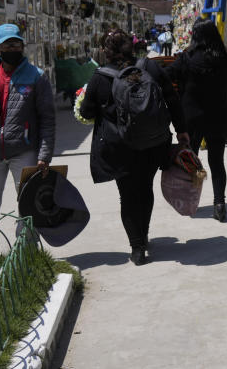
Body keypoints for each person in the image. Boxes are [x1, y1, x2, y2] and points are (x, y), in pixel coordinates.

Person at [79, 29, 188, 265]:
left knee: (127, 195)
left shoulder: (100, 78)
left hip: (119, 147)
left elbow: (86, 111)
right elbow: (172, 98)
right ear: (132, 46)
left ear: (106, 51)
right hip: (153, 142)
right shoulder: (150, 68)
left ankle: (137, 247)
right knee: (145, 188)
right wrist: (181, 129)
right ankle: (144, 235)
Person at [0, 23, 56, 254]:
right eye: (7, 44)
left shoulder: (37, 77)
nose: (13, 48)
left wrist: (44, 155)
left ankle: (26, 251)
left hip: (23, 150)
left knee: (28, 205)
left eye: (17, 44)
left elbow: (47, 119)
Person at [166, 18, 227, 222]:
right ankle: (219, 204)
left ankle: (189, 201)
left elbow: (167, 75)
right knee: (217, 162)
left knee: (189, 160)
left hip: (191, 119)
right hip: (217, 117)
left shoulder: (187, 58)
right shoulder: (223, 59)